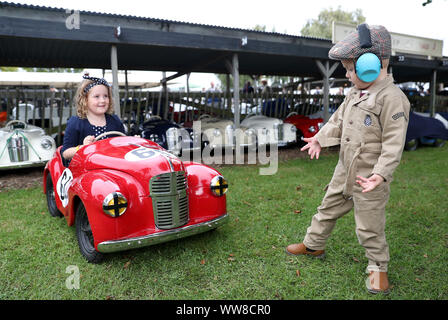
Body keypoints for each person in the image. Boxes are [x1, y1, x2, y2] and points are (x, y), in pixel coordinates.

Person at [285, 24, 410, 295]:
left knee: (369, 225)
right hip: (345, 169)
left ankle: (378, 269)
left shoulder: (392, 99)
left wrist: (381, 174)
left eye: (350, 69)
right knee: (327, 207)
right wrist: (320, 138)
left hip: (369, 178)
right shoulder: (355, 93)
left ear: (371, 65)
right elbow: (337, 121)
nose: (346, 74)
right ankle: (314, 243)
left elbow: (393, 143)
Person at [61, 75, 125, 164]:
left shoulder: (115, 121)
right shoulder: (76, 123)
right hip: (86, 169)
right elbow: (65, 153)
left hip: (112, 167)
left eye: (105, 96)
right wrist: (82, 147)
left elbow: (123, 144)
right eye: (97, 96)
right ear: (85, 100)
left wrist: (132, 141)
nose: (102, 100)